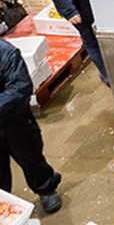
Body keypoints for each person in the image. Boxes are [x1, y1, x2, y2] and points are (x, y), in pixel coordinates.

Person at [0, 39, 62, 214]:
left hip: (15, 123)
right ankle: (4, 203)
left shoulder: (6, 53)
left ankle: (46, 188)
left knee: (31, 159)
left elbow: (20, 88)